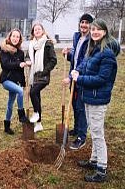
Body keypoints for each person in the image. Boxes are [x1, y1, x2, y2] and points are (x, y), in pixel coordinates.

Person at [71, 18, 120, 183]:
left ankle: (102, 168)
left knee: (98, 134)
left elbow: (101, 79)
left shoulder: (107, 53)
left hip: (98, 98)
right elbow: (83, 65)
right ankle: (93, 160)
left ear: (105, 32)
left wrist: (80, 79)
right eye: (93, 30)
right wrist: (75, 71)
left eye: (98, 30)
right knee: (93, 129)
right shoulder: (93, 49)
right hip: (89, 96)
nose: (94, 32)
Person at [62, 13, 93, 150]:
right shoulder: (77, 37)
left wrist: (72, 75)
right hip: (74, 76)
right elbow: (75, 57)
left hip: (81, 78)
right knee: (74, 104)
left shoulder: (91, 41)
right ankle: (76, 128)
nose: (84, 25)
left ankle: (82, 136)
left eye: (87, 23)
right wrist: (67, 54)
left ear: (91, 25)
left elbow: (85, 61)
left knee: (80, 107)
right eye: (82, 22)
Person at [25, 23, 57, 132]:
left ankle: (36, 113)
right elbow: (27, 56)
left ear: (43, 30)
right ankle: (39, 124)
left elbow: (53, 60)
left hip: (43, 75)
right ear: (33, 32)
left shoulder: (48, 43)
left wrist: (44, 71)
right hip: (33, 75)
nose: (37, 31)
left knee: (33, 92)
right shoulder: (31, 45)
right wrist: (27, 61)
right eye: (35, 29)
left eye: (39, 29)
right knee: (37, 96)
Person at [0, 28, 28, 135]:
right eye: (13, 36)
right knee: (20, 91)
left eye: (17, 37)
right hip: (6, 80)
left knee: (10, 104)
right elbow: (5, 64)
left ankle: (7, 126)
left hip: (15, 81)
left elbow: (21, 71)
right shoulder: (4, 49)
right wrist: (18, 64)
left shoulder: (20, 53)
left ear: (20, 39)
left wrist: (24, 83)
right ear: (10, 37)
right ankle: (21, 114)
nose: (15, 38)